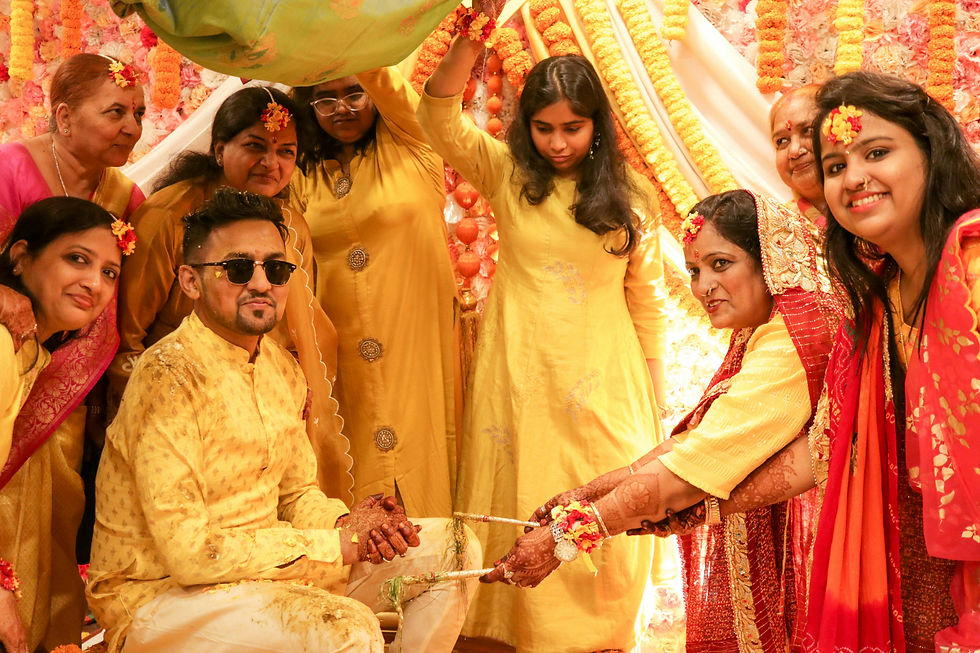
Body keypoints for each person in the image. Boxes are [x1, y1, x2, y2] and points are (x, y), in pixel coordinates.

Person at [88, 188, 480, 653]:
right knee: (345, 627)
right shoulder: (168, 377)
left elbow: (295, 494)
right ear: (191, 282)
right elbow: (189, 554)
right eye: (237, 269)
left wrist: (349, 524)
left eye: (275, 269)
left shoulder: (280, 368)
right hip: (161, 594)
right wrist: (338, 546)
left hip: (262, 572)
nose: (260, 284)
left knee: (454, 547)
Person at [480, 189, 841, 652]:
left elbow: (694, 470)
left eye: (721, 263)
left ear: (767, 259)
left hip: (844, 544)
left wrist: (561, 539)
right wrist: (584, 496)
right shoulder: (774, 322)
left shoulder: (796, 335)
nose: (703, 286)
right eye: (694, 270)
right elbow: (698, 444)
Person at [418, 4, 669, 649]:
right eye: (545, 128)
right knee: (517, 492)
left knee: (602, 507)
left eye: (574, 128)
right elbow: (437, 115)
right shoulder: (508, 175)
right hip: (519, 374)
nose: (559, 143)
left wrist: (656, 396)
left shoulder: (631, 197)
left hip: (604, 379)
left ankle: (601, 635)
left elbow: (647, 302)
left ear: (598, 127)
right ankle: (512, 631)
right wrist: (471, 39)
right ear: (525, 128)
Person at [801, 71, 980, 652]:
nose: (854, 178)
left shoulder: (973, 265)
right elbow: (834, 446)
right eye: (833, 167)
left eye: (876, 152)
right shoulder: (879, 304)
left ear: (932, 149)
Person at [108, 86, 351, 500]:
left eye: (287, 152)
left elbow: (297, 332)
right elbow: (126, 340)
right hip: (179, 413)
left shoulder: (291, 226)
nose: (271, 164)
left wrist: (291, 393)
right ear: (219, 150)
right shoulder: (169, 218)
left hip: (265, 414)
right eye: (255, 146)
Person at [290, 65, 458, 518]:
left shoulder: (412, 141)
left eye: (354, 95)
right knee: (360, 496)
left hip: (416, 346)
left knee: (432, 490)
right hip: (342, 360)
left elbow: (380, 73)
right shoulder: (304, 174)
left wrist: (339, 25)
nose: (341, 109)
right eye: (325, 100)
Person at [0, 52, 145, 487]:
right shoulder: (11, 168)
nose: (133, 128)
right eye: (115, 112)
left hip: (69, 395)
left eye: (138, 113)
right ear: (64, 116)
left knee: (54, 507)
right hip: (7, 352)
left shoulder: (127, 197)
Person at [0, 197, 133, 652]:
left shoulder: (34, 353)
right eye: (77, 259)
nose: (93, 283)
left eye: (109, 273)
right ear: (20, 257)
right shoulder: (2, 348)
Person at [769, 84, 827, 227]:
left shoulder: (877, 201)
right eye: (782, 141)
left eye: (808, 130)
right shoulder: (777, 233)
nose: (794, 151)